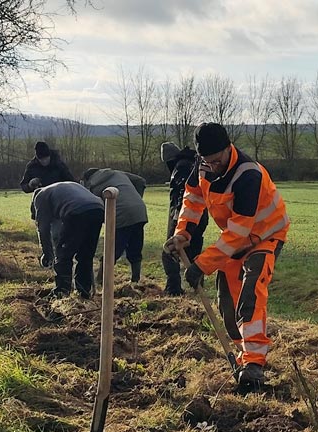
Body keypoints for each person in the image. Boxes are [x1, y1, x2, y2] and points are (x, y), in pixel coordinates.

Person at [165, 123, 290, 393]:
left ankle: (255, 364)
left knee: (250, 294)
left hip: (264, 235)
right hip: (235, 238)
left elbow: (239, 232)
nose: (214, 166)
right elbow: (193, 198)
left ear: (228, 147)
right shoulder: (203, 166)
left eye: (217, 160)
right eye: (208, 161)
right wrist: (184, 232)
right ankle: (242, 357)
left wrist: (202, 265)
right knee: (227, 300)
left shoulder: (248, 174)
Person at [32, 181, 104, 299]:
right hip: (98, 209)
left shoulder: (40, 197)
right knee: (85, 254)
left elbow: (43, 229)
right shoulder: (61, 188)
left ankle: (62, 293)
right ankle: (83, 292)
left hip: (76, 211)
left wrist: (47, 253)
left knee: (63, 255)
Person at [80, 167, 148, 284]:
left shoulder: (92, 185)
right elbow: (141, 181)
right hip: (139, 210)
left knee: (111, 249)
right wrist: (135, 198)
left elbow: (94, 206)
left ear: (87, 179)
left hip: (120, 214)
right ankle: (135, 279)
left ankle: (101, 280)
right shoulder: (117, 172)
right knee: (135, 246)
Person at [159, 142, 208, 296]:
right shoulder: (193, 163)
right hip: (201, 214)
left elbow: (181, 193)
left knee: (169, 250)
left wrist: (177, 218)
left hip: (184, 215)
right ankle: (198, 287)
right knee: (194, 248)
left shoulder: (180, 167)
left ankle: (173, 289)